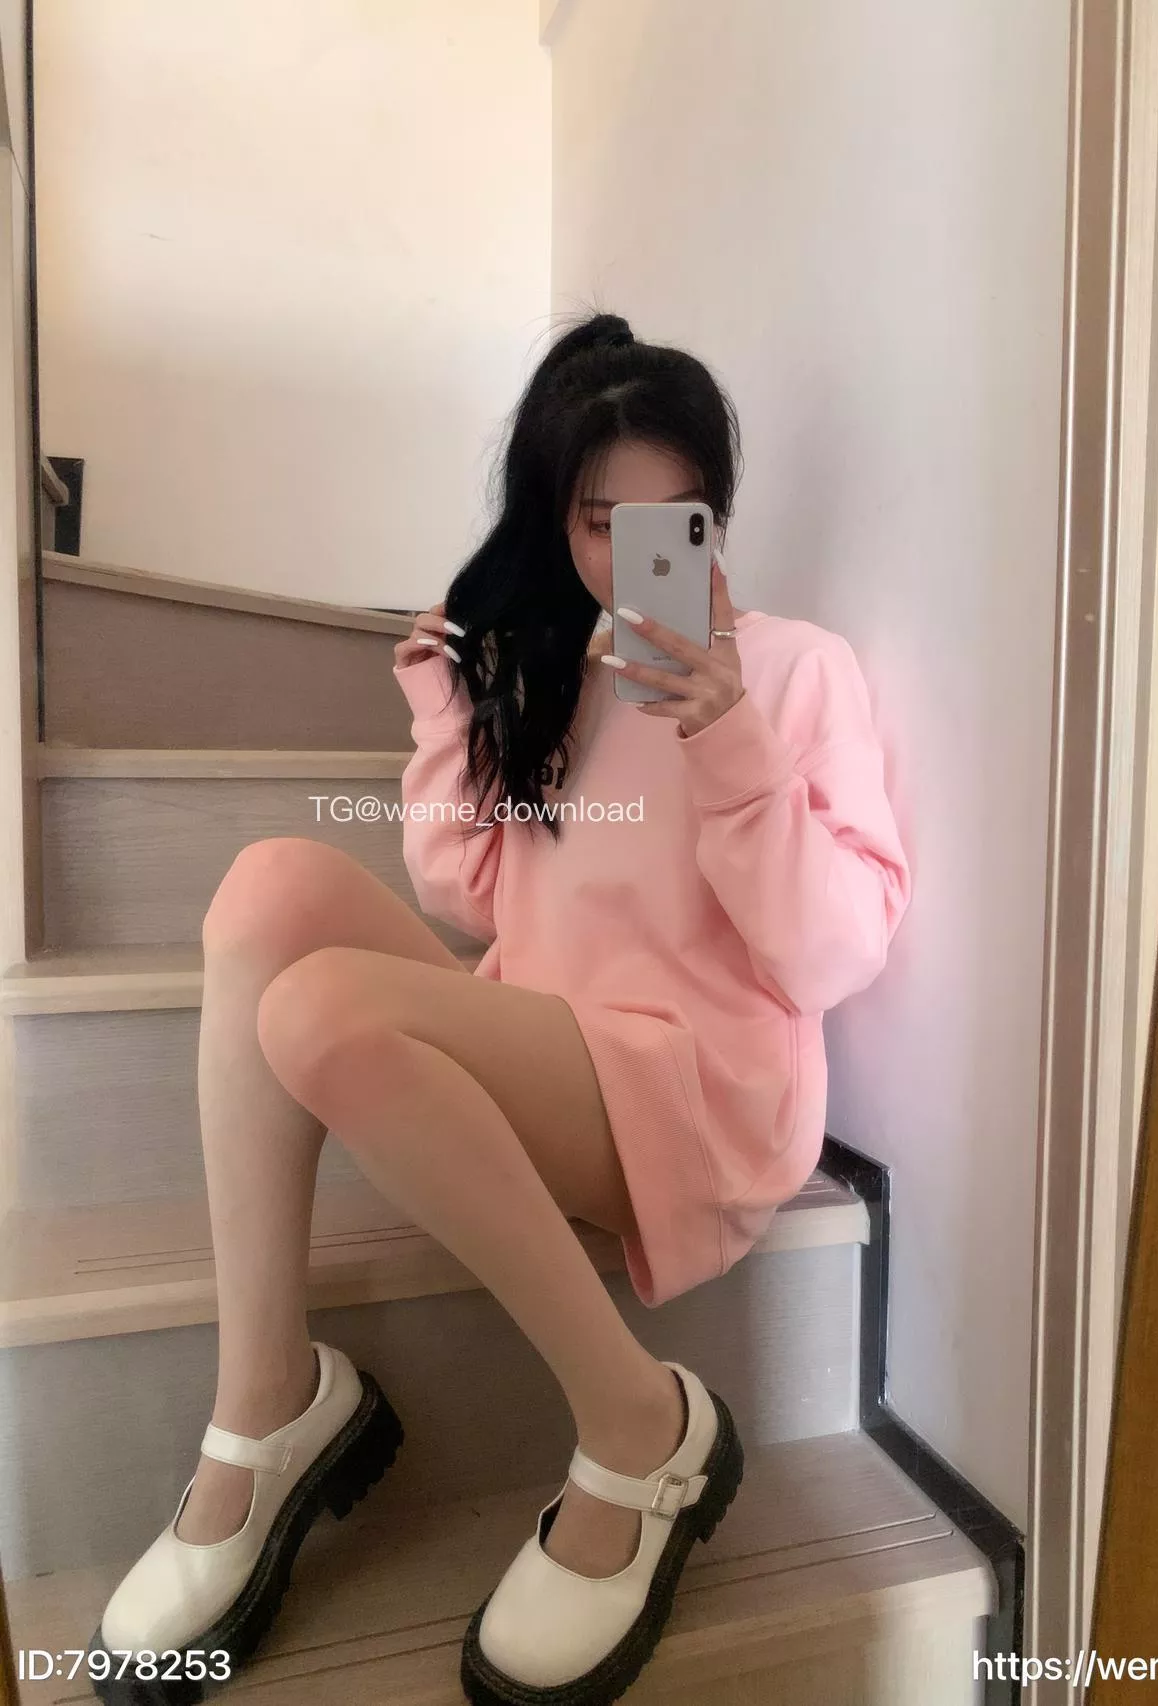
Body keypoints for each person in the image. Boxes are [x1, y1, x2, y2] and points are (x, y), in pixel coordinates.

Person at [88, 313, 911, 1706]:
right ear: (554, 519)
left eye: (671, 520)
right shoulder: (558, 669)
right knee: (266, 889)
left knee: (323, 1014)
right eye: (597, 522)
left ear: (715, 516)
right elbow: (474, 901)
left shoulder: (792, 670)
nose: (633, 557)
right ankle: (265, 1398)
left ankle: (639, 1424)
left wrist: (728, 739)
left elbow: (834, 953)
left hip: (699, 1091)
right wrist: (450, 709)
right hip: (549, 1039)